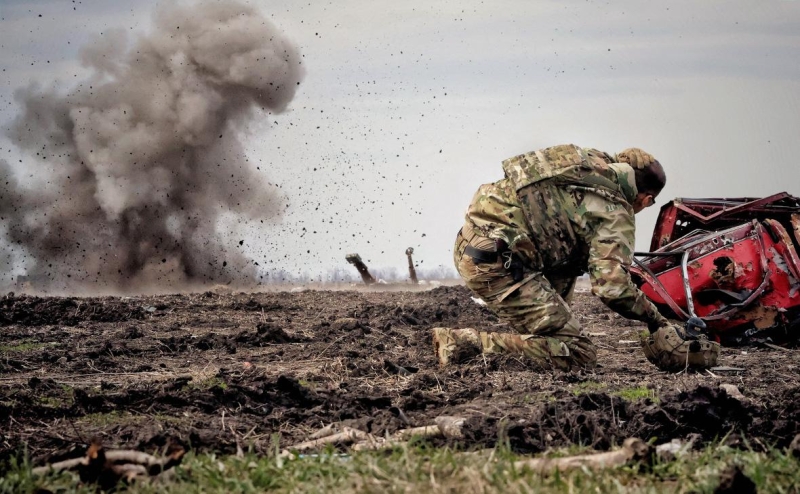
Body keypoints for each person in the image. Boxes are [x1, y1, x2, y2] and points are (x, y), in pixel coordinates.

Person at [433, 144, 719, 372]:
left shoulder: (588, 165)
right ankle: (464, 345)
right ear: (646, 199)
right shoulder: (615, 211)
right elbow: (612, 288)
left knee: (571, 260)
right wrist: (657, 321)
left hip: (471, 243)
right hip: (498, 265)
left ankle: (547, 333)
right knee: (578, 354)